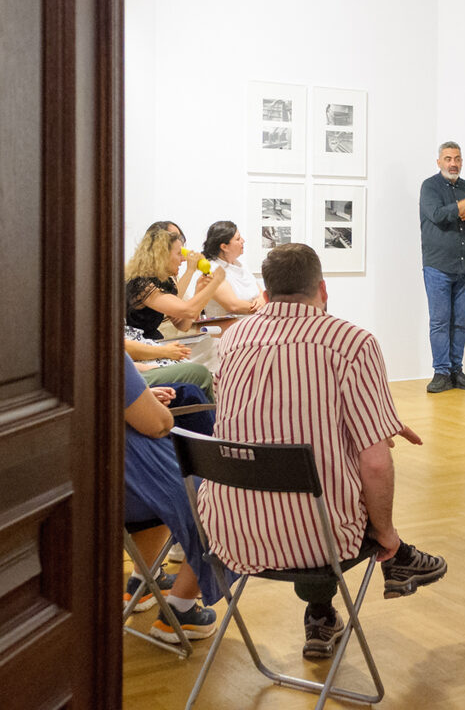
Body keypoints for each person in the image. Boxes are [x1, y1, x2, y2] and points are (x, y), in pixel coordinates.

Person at [198, 243, 447, 660]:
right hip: (322, 539)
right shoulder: (352, 343)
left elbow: (252, 416)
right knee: (341, 482)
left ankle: (320, 616)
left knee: (303, 475)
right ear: (323, 289)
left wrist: (376, 419)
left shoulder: (234, 339)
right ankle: (397, 555)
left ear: (266, 290)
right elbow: (373, 461)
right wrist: (385, 531)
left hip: (230, 532)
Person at [123, 353, 221, 644]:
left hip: (80, 481)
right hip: (128, 479)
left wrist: (138, 399)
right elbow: (159, 424)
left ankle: (143, 580)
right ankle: (181, 609)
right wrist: (151, 409)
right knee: (223, 497)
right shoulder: (97, 343)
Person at [419, 141, 465, 393]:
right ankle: (441, 372)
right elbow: (437, 214)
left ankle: (456, 370)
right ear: (439, 162)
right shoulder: (429, 187)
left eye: (457, 158)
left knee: (461, 322)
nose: (453, 163)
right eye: (448, 158)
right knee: (439, 321)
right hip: (437, 266)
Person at [125, 228, 225, 340]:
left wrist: (199, 290)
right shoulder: (141, 284)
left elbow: (183, 325)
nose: (183, 259)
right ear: (162, 255)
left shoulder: (165, 282)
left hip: (155, 341)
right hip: (139, 344)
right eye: (179, 254)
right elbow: (189, 310)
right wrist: (215, 282)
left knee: (213, 344)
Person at [199, 220, 265, 318]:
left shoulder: (241, 265)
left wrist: (263, 300)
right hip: (226, 329)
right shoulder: (212, 270)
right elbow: (233, 306)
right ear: (224, 247)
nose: (243, 241)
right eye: (238, 239)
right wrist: (263, 308)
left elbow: (261, 292)